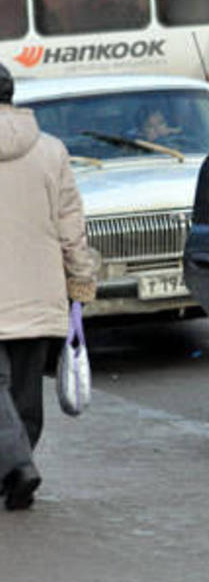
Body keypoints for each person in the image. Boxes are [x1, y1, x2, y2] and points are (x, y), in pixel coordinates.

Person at [0, 62, 96, 510]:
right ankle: (19, 470)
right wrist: (81, 280)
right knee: (24, 394)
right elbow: (70, 228)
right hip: (38, 295)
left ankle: (18, 468)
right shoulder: (52, 151)